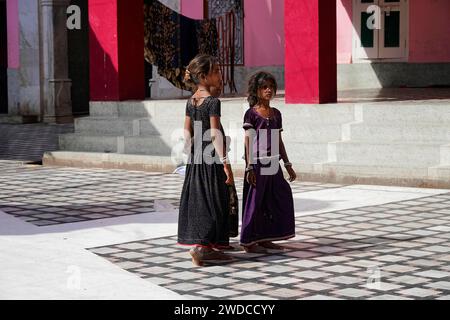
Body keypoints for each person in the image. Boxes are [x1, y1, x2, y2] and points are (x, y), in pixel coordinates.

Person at [178, 54, 235, 266]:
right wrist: (226, 163)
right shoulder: (212, 102)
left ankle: (208, 247)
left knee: (199, 199)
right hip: (211, 158)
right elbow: (213, 133)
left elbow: (186, 131)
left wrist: (190, 152)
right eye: (216, 71)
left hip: (196, 158)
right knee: (214, 200)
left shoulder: (191, 101)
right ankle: (201, 247)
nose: (220, 75)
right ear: (203, 76)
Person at [240, 71, 296, 253]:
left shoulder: (276, 114)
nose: (269, 90)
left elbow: (278, 140)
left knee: (278, 197)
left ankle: (267, 237)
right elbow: (247, 141)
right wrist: (249, 167)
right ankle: (249, 240)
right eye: (264, 87)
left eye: (271, 87)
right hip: (257, 163)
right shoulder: (252, 114)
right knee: (256, 202)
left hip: (274, 164)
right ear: (256, 91)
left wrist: (287, 164)